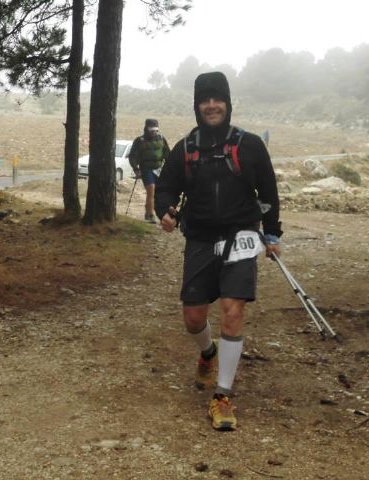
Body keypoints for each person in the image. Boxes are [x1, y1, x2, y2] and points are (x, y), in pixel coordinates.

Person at [155, 72, 282, 431]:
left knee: (232, 310)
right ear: (197, 106)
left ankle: (222, 396)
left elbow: (269, 192)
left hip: (241, 236)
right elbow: (166, 188)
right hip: (199, 238)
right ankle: (208, 353)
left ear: (227, 103)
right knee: (193, 318)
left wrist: (272, 235)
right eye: (205, 100)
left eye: (217, 99)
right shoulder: (185, 148)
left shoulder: (251, 145)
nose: (212, 105)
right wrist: (163, 211)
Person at [128, 119, 170, 223]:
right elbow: (133, 156)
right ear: (146, 128)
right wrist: (136, 169)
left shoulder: (161, 139)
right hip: (146, 168)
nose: (153, 131)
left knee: (158, 192)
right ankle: (151, 215)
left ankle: (151, 213)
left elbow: (167, 153)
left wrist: (170, 167)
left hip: (159, 168)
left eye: (156, 129)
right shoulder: (140, 141)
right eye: (151, 129)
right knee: (151, 189)